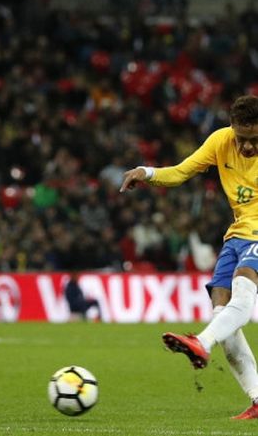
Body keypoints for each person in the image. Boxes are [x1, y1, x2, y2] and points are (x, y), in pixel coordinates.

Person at [120, 94, 258, 420]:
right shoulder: (220, 142)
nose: (248, 147)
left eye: (255, 140)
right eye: (242, 139)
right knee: (223, 313)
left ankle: (201, 342)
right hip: (237, 235)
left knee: (242, 293)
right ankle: (256, 397)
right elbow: (181, 172)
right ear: (232, 129)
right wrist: (147, 172)